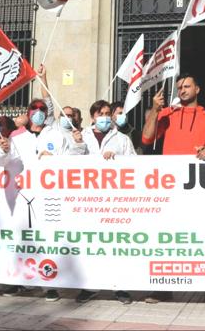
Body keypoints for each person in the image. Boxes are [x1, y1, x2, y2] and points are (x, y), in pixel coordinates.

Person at [142, 74, 205, 306]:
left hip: (198, 188)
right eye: (179, 87)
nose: (182, 90)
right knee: (168, 239)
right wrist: (154, 111)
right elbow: (146, 139)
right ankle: (162, 288)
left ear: (197, 89)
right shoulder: (167, 113)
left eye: (187, 86)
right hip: (170, 188)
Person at [0, 99, 85, 302]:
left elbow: (72, 160)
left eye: (42, 109)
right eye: (34, 109)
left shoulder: (56, 134)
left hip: (48, 195)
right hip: (23, 194)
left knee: (47, 239)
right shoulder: (17, 136)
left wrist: (77, 145)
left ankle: (50, 284)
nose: (38, 112)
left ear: (47, 113)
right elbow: (4, 161)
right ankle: (18, 281)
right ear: (28, 113)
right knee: (22, 238)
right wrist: (3, 149)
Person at [76, 100, 135, 305]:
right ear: (92, 116)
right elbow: (67, 163)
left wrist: (116, 158)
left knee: (116, 245)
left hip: (114, 200)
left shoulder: (122, 139)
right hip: (87, 200)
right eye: (100, 113)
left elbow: (134, 165)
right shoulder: (81, 136)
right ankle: (89, 287)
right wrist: (76, 146)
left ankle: (119, 287)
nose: (105, 117)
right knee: (90, 244)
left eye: (108, 113)